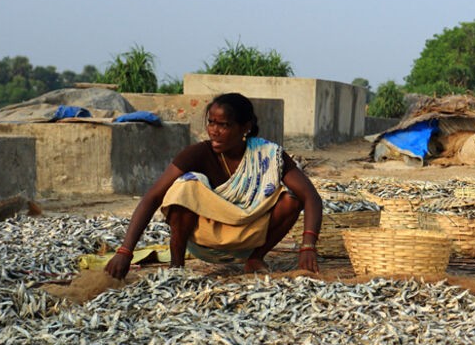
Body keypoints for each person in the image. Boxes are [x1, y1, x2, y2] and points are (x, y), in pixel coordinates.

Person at [105, 93, 323, 279]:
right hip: (203, 238)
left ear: (245, 128)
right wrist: (125, 251)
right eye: (211, 123)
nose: (214, 131)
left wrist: (308, 246)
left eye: (224, 125)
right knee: (184, 187)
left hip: (250, 236)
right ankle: (176, 265)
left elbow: (311, 197)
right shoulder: (197, 153)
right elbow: (153, 196)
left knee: (290, 200)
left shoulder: (267, 155)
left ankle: (255, 258)